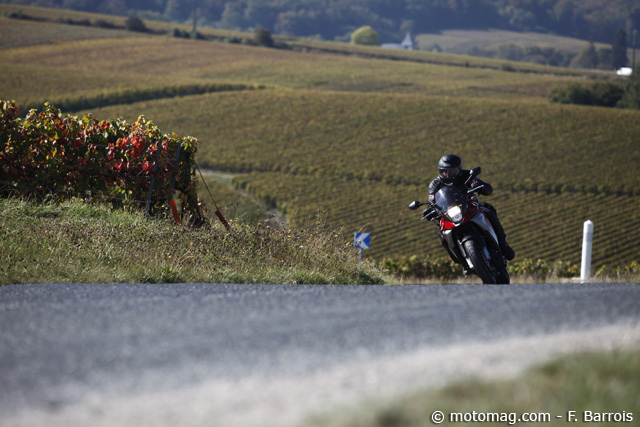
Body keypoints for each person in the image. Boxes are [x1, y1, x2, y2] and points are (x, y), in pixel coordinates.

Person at [427, 154, 515, 261]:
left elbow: (485, 187)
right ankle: (460, 261)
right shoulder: (434, 185)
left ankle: (503, 244)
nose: (448, 174)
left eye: (452, 171)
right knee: (441, 234)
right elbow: (432, 201)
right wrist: (429, 210)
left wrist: (480, 186)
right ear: (440, 171)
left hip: (469, 206)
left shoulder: (467, 175)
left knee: (488, 211)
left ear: (459, 169)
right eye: (445, 171)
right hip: (449, 214)